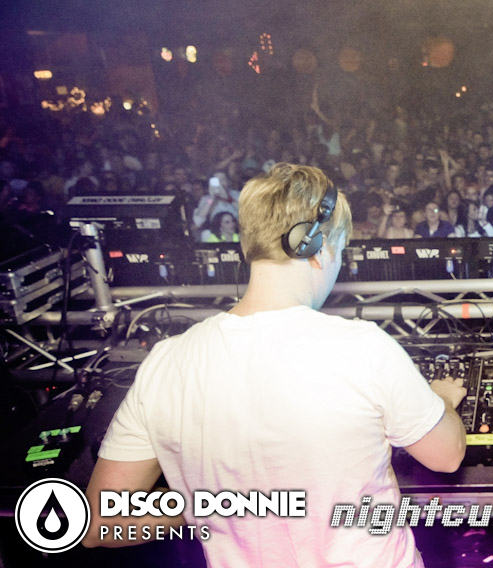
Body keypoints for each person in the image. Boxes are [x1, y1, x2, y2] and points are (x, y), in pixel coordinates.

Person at [84, 163, 467, 567]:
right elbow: (446, 456)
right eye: (341, 248)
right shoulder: (363, 347)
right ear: (316, 246)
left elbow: (101, 523)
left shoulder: (165, 364)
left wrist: (207, 501)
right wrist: (440, 399)